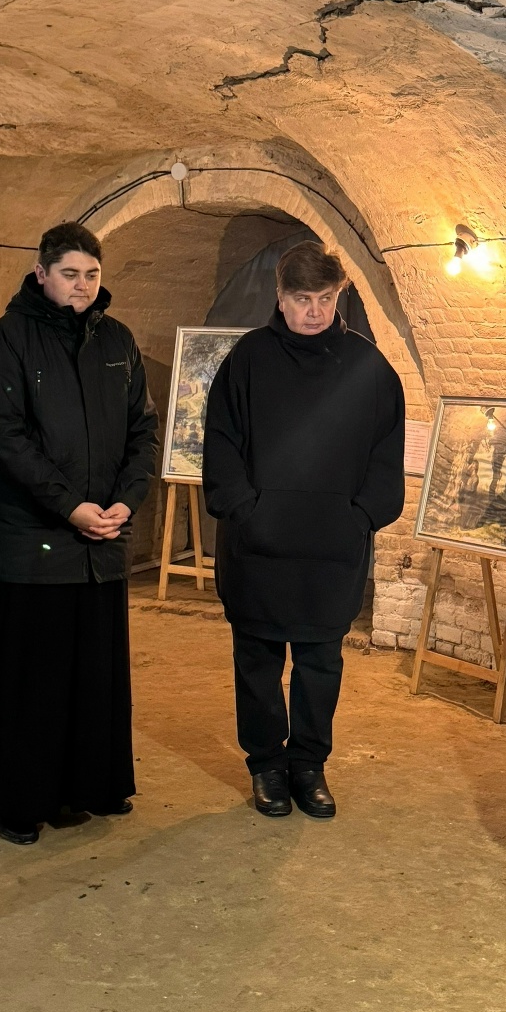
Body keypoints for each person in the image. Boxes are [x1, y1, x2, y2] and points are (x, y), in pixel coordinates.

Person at [202, 240, 405, 820]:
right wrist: (246, 511)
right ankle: (266, 764)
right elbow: (220, 446)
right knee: (258, 663)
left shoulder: (368, 368)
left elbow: (386, 456)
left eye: (324, 298)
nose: (313, 311)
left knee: (320, 665)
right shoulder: (247, 360)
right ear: (280, 296)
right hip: (257, 548)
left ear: (338, 296)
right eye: (301, 299)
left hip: (330, 549)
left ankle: (310, 765)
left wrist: (359, 517)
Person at [0, 221, 158, 844]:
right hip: (37, 543)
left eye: (92, 274)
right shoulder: (9, 338)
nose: (82, 285)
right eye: (70, 274)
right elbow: (6, 438)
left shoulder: (118, 340)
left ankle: (87, 786)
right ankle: (21, 801)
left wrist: (125, 501)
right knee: (33, 680)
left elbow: (143, 432)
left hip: (102, 543)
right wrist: (70, 506)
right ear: (42, 274)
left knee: (92, 675)